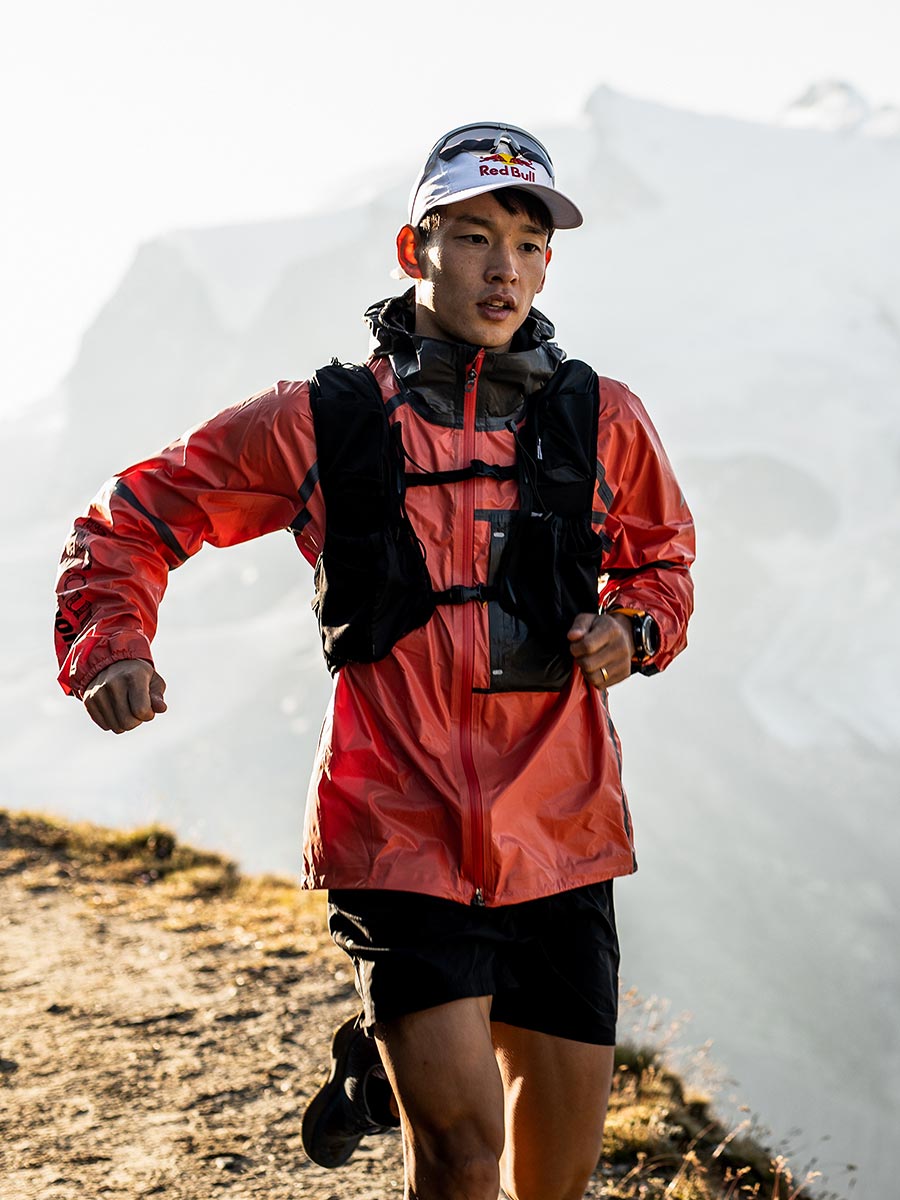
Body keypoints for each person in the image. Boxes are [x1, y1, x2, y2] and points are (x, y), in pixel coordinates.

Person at [55, 121, 695, 1200]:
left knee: (557, 1183)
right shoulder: (323, 421)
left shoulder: (602, 417)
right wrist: (113, 646)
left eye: (530, 244)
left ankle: (378, 1072)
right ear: (416, 250)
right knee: (460, 1158)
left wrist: (630, 632)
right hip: (395, 827)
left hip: (562, 829)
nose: (505, 266)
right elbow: (132, 516)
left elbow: (664, 568)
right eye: (476, 236)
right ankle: (404, 1063)